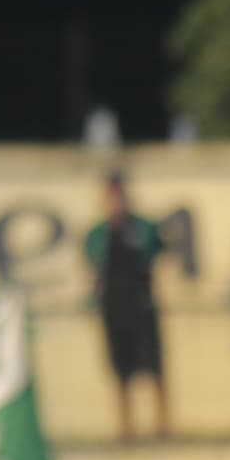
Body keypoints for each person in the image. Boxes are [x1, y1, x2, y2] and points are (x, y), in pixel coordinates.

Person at [87, 174, 169, 444]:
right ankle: (126, 426)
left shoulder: (143, 228)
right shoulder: (98, 233)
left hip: (141, 304)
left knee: (154, 365)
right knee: (120, 370)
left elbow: (156, 251)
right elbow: (95, 267)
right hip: (114, 307)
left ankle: (163, 424)